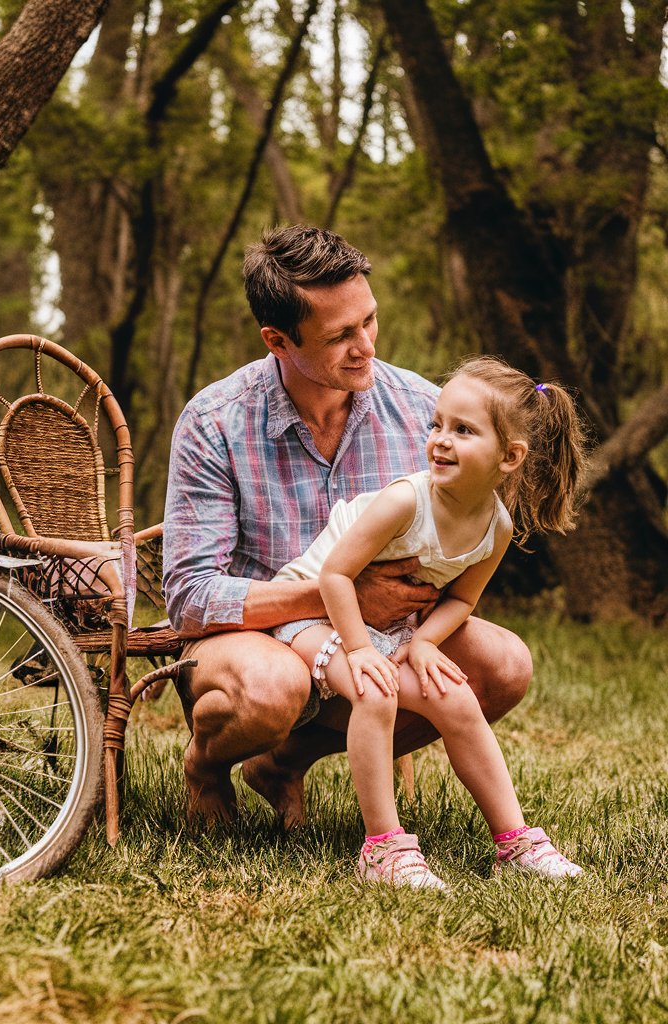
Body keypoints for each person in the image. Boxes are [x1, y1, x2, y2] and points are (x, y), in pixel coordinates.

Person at [162, 224, 533, 829]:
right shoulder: (214, 421)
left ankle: (283, 763)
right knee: (272, 686)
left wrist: (416, 618)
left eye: (370, 321)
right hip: (254, 639)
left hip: (382, 636)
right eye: (340, 336)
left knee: (504, 666)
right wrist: (337, 596)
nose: (366, 346)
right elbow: (190, 598)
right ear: (278, 341)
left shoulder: (424, 410)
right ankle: (206, 766)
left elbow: (463, 533)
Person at [272, 357, 585, 887]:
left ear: (510, 456)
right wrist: (360, 651)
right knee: (376, 693)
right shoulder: (404, 501)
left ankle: (515, 841)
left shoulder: (496, 526)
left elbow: (461, 600)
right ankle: (382, 850)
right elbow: (333, 577)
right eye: (437, 424)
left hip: (386, 627)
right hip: (313, 617)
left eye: (463, 430)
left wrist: (424, 643)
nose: (440, 440)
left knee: (456, 698)